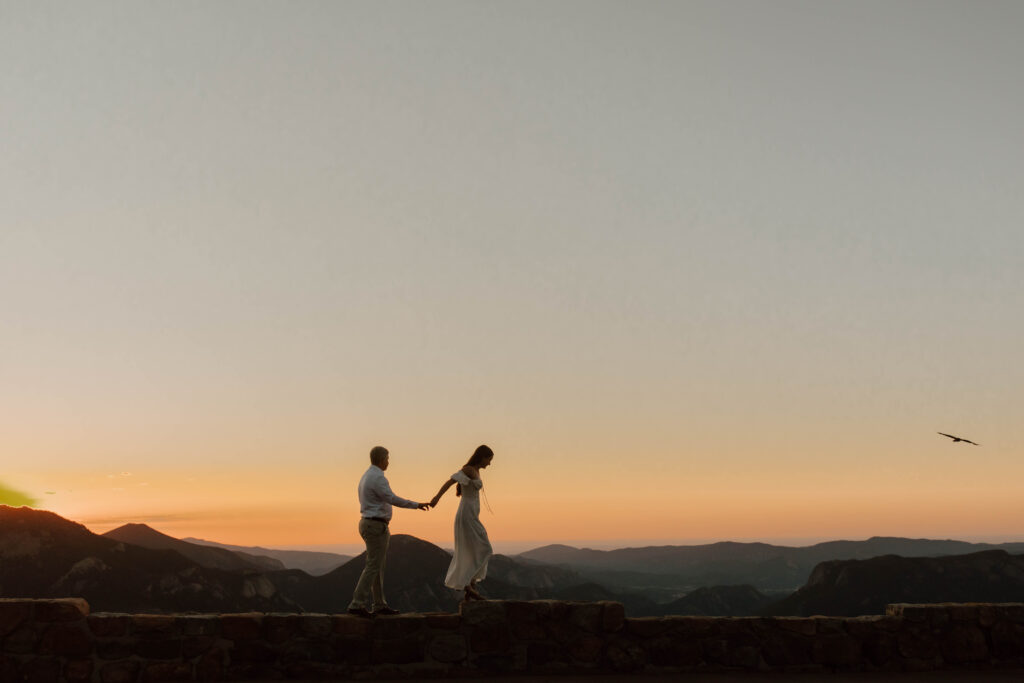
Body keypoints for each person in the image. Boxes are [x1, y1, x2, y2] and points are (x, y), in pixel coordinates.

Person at [347, 445, 430, 617]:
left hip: (368, 523)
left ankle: (379, 604)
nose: (388, 462)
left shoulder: (366, 476)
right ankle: (357, 603)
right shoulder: (378, 478)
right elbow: (391, 498)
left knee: (377, 565)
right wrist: (416, 505)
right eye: (387, 458)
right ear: (381, 459)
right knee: (373, 566)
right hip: (376, 526)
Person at [429, 444, 494, 601]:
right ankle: (468, 584)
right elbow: (450, 482)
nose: (490, 463)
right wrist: (436, 498)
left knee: (475, 548)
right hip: (466, 514)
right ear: (482, 457)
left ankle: (470, 586)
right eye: (489, 459)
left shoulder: (475, 471)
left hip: (471, 513)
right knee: (485, 547)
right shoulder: (469, 469)